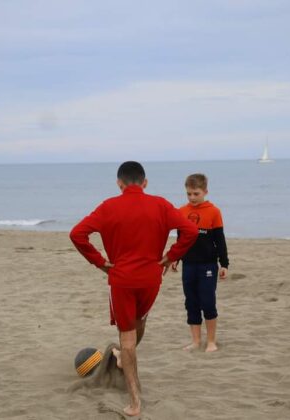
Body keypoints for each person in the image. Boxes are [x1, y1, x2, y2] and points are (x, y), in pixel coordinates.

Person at [69, 161, 198, 417]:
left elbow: (77, 234)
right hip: (151, 279)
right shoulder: (160, 204)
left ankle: (135, 401)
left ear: (119, 183)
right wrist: (171, 255)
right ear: (145, 182)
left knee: (127, 339)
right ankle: (121, 358)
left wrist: (101, 263)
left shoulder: (108, 206)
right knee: (139, 325)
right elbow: (191, 230)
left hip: (122, 279)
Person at [171, 173, 229, 352]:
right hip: (189, 265)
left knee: (208, 302)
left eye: (196, 193)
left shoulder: (214, 212)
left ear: (205, 191)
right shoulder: (181, 212)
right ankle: (196, 341)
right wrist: (176, 258)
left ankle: (211, 341)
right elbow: (181, 239)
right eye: (189, 194)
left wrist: (224, 264)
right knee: (191, 303)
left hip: (208, 265)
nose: (192, 197)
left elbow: (220, 240)